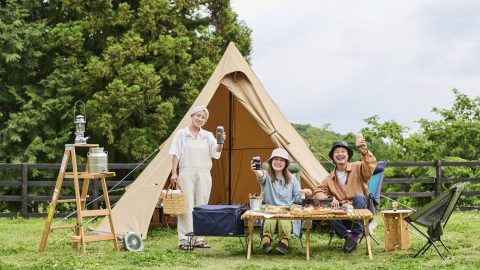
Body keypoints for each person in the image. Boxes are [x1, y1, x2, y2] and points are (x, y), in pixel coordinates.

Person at [169, 105, 226, 251]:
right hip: (186, 172)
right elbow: (175, 153)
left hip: (204, 173)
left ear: (205, 120)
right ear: (192, 116)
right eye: (198, 116)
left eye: (203, 117)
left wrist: (221, 142)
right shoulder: (182, 134)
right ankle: (184, 240)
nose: (200, 119)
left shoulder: (208, 135)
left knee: (201, 206)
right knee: (186, 206)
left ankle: (199, 239)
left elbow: (216, 153)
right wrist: (174, 173)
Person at [306, 137, 376, 253]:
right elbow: (318, 192)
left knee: (359, 197)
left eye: (343, 151)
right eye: (337, 152)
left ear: (348, 155)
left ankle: (354, 235)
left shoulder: (358, 167)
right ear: (333, 157)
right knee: (329, 209)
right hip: (342, 215)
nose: (340, 154)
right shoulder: (329, 178)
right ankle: (348, 238)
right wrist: (330, 199)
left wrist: (364, 151)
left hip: (361, 211)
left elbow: (370, 168)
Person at [251, 148, 306, 255]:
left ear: (285, 163)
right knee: (270, 219)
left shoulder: (292, 178)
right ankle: (266, 243)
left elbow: (298, 197)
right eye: (275, 159)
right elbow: (260, 176)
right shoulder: (266, 175)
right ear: (271, 162)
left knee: (284, 220)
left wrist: (305, 193)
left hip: (286, 210)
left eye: (281, 160)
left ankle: (283, 243)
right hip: (269, 209)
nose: (278, 162)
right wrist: (256, 170)